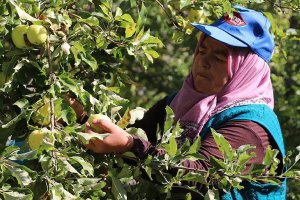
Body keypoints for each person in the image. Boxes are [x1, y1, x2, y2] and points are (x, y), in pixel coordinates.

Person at [69, 5, 286, 199]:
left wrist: (130, 145)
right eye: (202, 50)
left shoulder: (251, 126)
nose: (204, 61)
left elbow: (198, 175)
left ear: (247, 69)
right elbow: (127, 138)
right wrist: (83, 120)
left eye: (220, 57)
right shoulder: (178, 103)